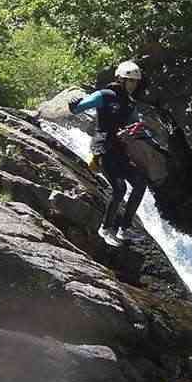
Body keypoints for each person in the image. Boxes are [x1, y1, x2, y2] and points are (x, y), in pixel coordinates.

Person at [67, 60, 150, 247]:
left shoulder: (130, 103)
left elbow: (134, 124)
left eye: (135, 82)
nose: (133, 85)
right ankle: (105, 229)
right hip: (103, 148)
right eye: (130, 81)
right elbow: (80, 107)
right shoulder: (105, 95)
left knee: (139, 183)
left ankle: (125, 228)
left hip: (119, 149)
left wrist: (135, 131)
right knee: (119, 188)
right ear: (120, 79)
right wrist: (74, 104)